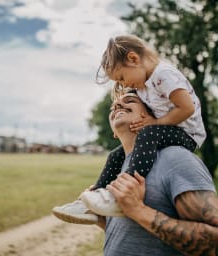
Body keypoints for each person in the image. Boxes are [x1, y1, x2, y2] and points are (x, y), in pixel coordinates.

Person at [53, 34, 206, 219]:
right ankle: (92, 200)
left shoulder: (164, 75)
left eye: (122, 77)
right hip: (168, 130)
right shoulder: (144, 85)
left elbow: (187, 108)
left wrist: (155, 123)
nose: (123, 84)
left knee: (149, 133)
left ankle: (124, 192)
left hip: (187, 134)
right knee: (115, 154)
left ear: (133, 59)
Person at [95, 91, 218, 255]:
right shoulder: (120, 166)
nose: (117, 105)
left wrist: (138, 210)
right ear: (114, 133)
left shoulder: (176, 159)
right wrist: (101, 218)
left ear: (152, 115)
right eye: (113, 106)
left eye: (130, 100)